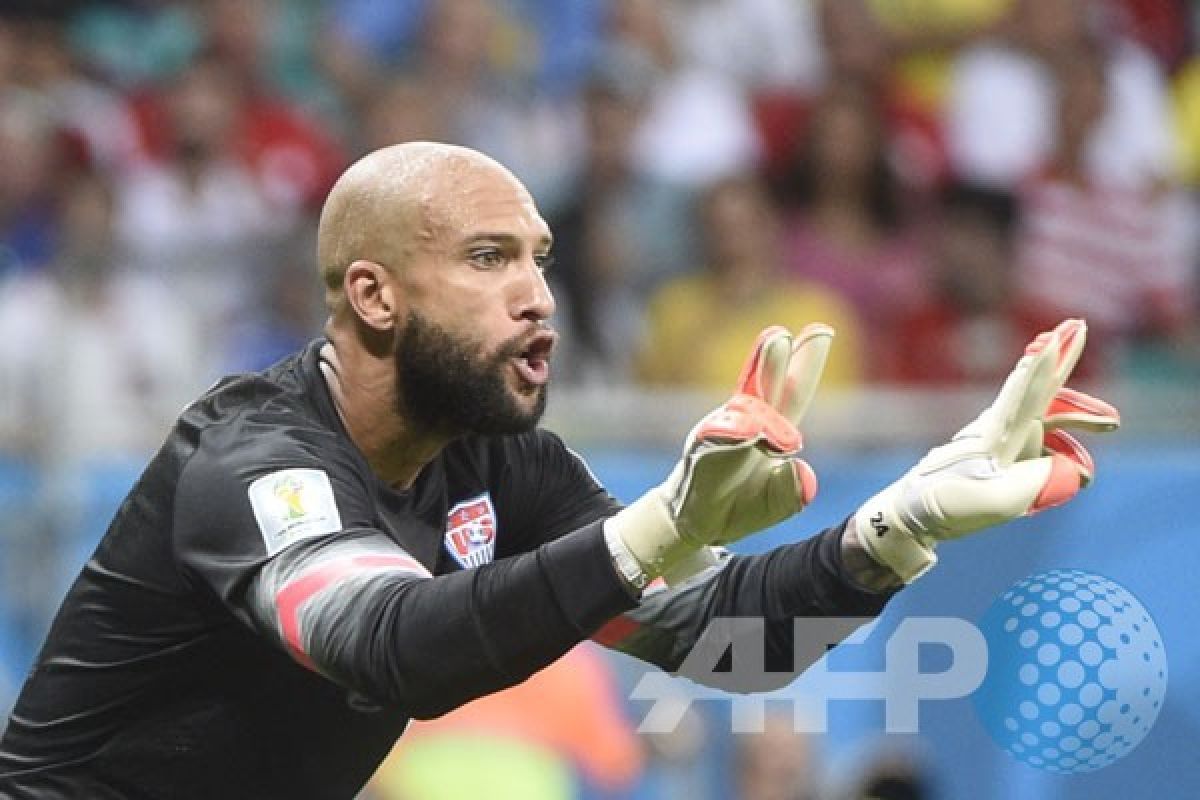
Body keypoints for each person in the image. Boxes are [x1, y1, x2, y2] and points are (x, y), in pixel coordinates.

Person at [0, 142, 1119, 799]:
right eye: (488, 259)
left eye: (539, 256)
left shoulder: (504, 464)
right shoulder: (254, 458)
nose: (538, 292)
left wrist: (895, 527)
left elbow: (719, 640)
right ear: (375, 297)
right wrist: (653, 528)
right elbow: (386, 646)